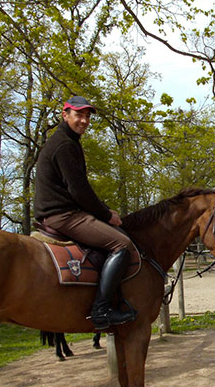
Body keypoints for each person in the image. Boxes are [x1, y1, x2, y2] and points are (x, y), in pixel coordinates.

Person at [34, 96, 137, 330]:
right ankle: (101, 310)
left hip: (62, 210)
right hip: (63, 214)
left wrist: (102, 210)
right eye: (79, 115)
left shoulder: (67, 141)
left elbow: (79, 189)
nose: (84, 120)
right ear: (65, 115)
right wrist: (106, 214)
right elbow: (79, 190)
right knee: (122, 244)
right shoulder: (64, 145)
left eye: (87, 116)